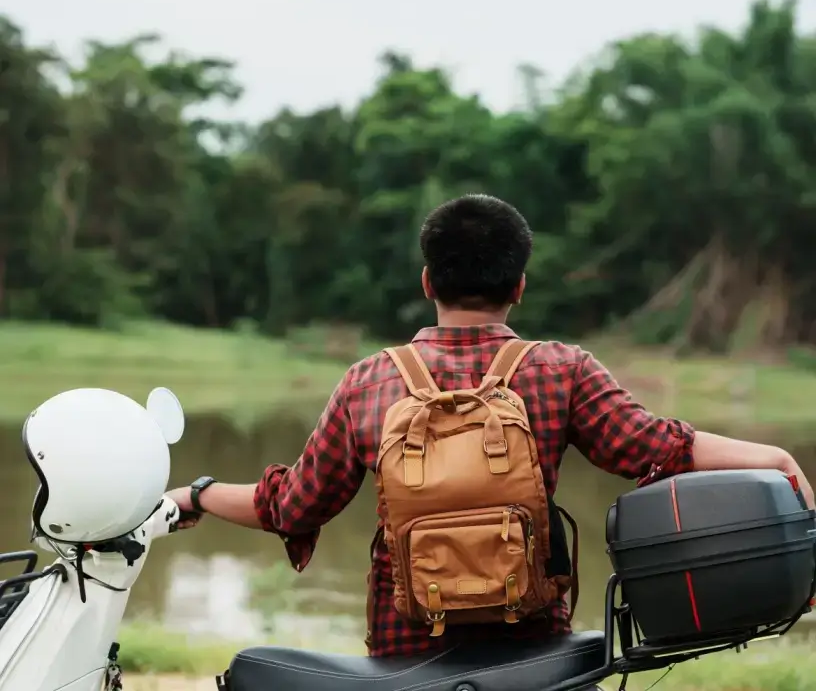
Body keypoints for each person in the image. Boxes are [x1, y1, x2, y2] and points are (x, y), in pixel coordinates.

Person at [167, 193, 815, 658]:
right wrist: (774, 457)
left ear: (427, 281)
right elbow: (657, 447)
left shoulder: (370, 381)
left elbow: (290, 506)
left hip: (405, 653)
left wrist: (195, 494)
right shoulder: (561, 370)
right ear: (520, 287)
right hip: (533, 651)